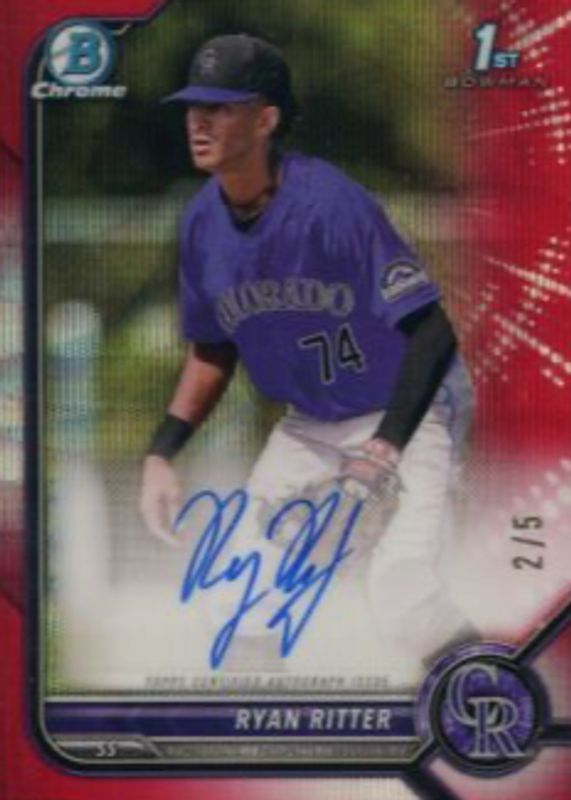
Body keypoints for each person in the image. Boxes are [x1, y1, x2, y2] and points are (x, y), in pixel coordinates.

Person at [140, 33, 475, 672]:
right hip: (310, 424)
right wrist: (162, 452)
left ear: (266, 119)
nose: (198, 121)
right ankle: (259, 722)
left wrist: (383, 449)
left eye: (220, 107)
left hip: (409, 410)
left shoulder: (329, 203)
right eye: (193, 106)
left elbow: (433, 332)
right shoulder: (202, 223)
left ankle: (502, 701)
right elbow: (212, 351)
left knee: (402, 596)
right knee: (236, 598)